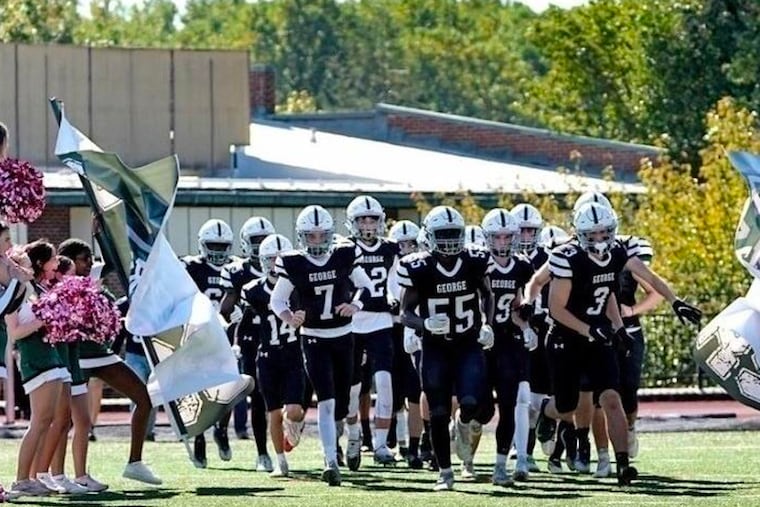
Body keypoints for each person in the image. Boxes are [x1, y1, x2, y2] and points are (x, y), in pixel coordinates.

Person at [535, 202, 701, 486]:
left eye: (604, 232)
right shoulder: (566, 257)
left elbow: (642, 279)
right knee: (567, 405)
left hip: (599, 337)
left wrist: (675, 301)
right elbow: (557, 309)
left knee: (612, 398)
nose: (600, 239)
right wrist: (590, 330)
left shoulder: (618, 251)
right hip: (566, 338)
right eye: (593, 233)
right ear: (579, 232)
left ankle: (623, 465)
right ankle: (546, 413)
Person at [270, 205, 374, 486]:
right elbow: (277, 300)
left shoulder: (344, 254)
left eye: (321, 235)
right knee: (326, 402)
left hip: (344, 336)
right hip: (313, 337)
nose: (316, 241)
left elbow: (366, 287)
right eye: (310, 236)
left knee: (345, 402)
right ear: (301, 237)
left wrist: (355, 304)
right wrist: (289, 317)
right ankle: (329, 461)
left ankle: (353, 433)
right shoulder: (292, 262)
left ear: (331, 234)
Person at [398, 205, 495, 491]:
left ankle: (463, 423)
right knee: (438, 411)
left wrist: (487, 324)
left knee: (471, 401)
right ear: (429, 235)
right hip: (435, 347)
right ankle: (445, 472)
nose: (450, 240)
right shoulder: (419, 266)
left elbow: (487, 294)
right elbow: (405, 312)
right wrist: (425, 324)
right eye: (443, 234)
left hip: (467, 342)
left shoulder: (475, 260)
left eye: (454, 234)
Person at [58, 238, 161, 485]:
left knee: (144, 398)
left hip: (99, 353)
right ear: (69, 260)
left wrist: (101, 230)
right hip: (74, 357)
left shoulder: (92, 279)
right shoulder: (57, 284)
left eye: (91, 259)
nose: (89, 264)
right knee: (69, 421)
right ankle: (65, 476)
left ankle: (135, 463)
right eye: (85, 259)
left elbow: (112, 261)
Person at [241, 233, 306, 478]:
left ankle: (295, 428)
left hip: (293, 355)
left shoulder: (298, 287)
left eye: (279, 258)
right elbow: (247, 324)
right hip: (267, 356)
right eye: (270, 259)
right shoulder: (253, 290)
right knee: (275, 412)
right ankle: (280, 462)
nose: (274, 263)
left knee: (294, 410)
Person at [6, 241, 67, 498]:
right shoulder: (13, 291)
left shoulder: (31, 288)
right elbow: (15, 332)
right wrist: (46, 319)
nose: (31, 268)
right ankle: (21, 480)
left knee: (47, 420)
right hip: (34, 358)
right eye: (27, 264)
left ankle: (31, 478)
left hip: (48, 354)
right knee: (39, 421)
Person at [481, 208, 536, 484]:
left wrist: (526, 327)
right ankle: (464, 428)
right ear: (487, 238)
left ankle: (502, 464)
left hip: (508, 342)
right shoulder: (477, 263)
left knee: (510, 403)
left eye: (507, 237)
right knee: (479, 408)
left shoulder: (522, 265)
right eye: (497, 237)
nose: (503, 243)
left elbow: (518, 302)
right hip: (480, 342)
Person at [343, 195, 397, 468]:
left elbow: (396, 281)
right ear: (352, 222)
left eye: (372, 218)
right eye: (362, 219)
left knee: (385, 383)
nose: (367, 223)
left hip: (381, 321)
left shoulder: (390, 249)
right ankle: (353, 435)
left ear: (381, 220)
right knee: (352, 389)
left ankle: (381, 444)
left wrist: (394, 298)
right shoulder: (343, 248)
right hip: (351, 324)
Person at [220, 216, 276, 471]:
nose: (261, 245)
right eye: (256, 240)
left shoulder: (282, 266)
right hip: (248, 340)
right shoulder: (238, 271)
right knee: (256, 395)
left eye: (265, 239)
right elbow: (226, 306)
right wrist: (234, 313)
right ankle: (262, 453)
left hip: (277, 338)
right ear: (245, 243)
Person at [181, 218, 237, 468]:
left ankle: (221, 430)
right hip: (198, 337)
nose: (217, 250)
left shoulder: (237, 269)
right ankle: (200, 438)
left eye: (222, 245)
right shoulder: (191, 267)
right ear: (203, 245)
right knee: (197, 390)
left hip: (227, 339)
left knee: (228, 390)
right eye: (212, 244)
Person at [387, 219, 424, 469]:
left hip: (418, 328)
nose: (406, 248)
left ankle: (416, 446)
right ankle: (399, 443)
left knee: (416, 391)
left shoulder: (423, 265)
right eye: (401, 243)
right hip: (391, 328)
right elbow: (390, 292)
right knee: (393, 391)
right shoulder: (390, 264)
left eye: (411, 243)